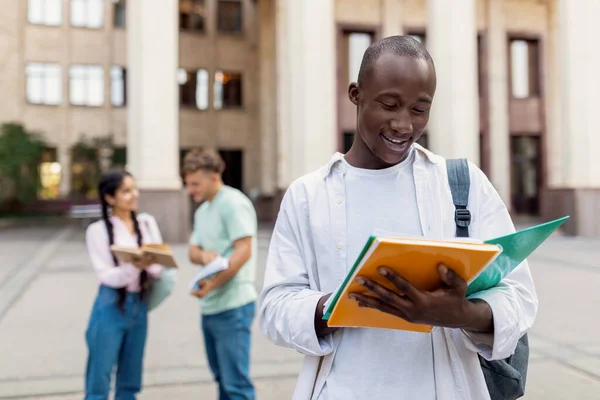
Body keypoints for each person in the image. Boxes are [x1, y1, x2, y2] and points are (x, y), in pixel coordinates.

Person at [258, 35, 538, 400]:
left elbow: (519, 295)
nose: (403, 124)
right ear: (356, 94)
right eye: (389, 105)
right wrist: (338, 305)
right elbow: (274, 306)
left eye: (419, 109)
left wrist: (463, 314)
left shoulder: (462, 184)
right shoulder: (308, 195)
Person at [84, 170, 166, 400]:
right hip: (110, 304)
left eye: (134, 189)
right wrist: (135, 265)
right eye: (126, 191)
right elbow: (107, 275)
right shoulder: (97, 231)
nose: (134, 195)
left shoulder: (147, 223)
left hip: (139, 305)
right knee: (98, 381)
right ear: (110, 198)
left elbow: (159, 269)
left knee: (130, 381)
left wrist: (148, 263)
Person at [183, 148, 258, 400]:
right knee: (223, 381)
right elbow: (192, 250)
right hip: (211, 306)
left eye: (195, 184)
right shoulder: (203, 210)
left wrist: (210, 286)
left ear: (214, 177)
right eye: (188, 184)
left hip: (233, 306)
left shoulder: (233, 203)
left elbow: (244, 250)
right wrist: (204, 256)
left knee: (236, 385)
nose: (190, 190)